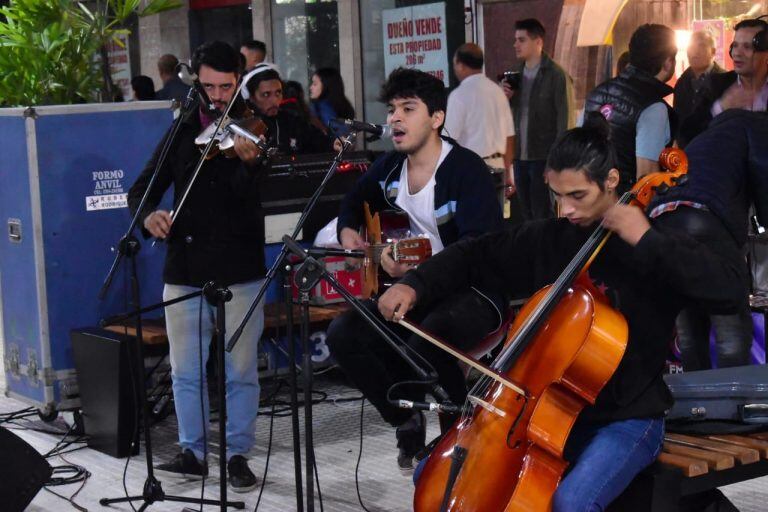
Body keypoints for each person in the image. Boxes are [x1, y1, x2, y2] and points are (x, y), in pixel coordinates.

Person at [378, 114, 744, 510]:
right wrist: (415, 283)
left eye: (578, 196)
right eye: (558, 195)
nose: (566, 209)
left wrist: (646, 238)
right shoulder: (550, 239)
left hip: (627, 419)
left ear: (611, 180)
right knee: (433, 475)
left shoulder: (653, 247)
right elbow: (474, 254)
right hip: (544, 418)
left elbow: (728, 293)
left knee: (571, 504)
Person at [326, 67, 505, 472]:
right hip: (414, 291)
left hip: (473, 293)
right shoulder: (391, 167)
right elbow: (352, 201)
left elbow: (479, 248)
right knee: (344, 333)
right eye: (392, 110)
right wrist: (353, 234)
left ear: (436, 118)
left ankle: (459, 441)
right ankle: (406, 417)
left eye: (408, 109)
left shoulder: (466, 170)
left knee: (426, 339)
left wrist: (419, 278)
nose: (395, 119)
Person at [127, 41, 265, 493]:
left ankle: (238, 455)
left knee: (240, 369)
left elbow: (256, 197)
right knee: (185, 369)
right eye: (209, 87)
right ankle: (193, 452)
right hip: (185, 265)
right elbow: (142, 188)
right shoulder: (184, 127)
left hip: (240, 265)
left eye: (226, 87)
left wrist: (250, 166)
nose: (218, 96)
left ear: (238, 82)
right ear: (196, 82)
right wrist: (149, 216)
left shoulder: (254, 129)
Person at [650, 110, 768, 371]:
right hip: (704, 219)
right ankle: (731, 395)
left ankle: (696, 396)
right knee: (732, 330)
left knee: (690, 329)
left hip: (662, 219)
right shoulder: (757, 127)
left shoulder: (709, 139)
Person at [585, 23, 678, 193]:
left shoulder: (596, 94)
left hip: (592, 196)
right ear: (668, 63)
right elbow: (646, 177)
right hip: (623, 201)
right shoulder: (652, 107)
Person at [503, 18, 574, 220]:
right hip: (520, 156)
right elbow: (511, 118)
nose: (516, 45)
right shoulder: (516, 74)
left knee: (543, 214)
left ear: (538, 42)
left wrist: (556, 161)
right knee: (525, 213)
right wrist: (506, 98)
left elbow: (565, 121)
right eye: (515, 40)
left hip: (543, 157)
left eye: (521, 40)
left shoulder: (556, 75)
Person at [444, 43, 516, 201]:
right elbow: (509, 136)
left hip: (471, 170)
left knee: (473, 214)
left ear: (461, 65)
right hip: (498, 167)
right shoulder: (498, 93)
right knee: (496, 214)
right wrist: (508, 172)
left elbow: (449, 139)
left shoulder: (459, 95)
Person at [679, 18, 768, 144]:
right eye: (735, 45)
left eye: (747, 46)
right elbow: (686, 135)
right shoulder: (716, 85)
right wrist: (720, 108)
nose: (737, 53)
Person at [243, 63, 333, 154]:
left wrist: (334, 144)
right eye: (266, 94)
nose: (274, 100)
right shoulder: (245, 125)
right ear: (251, 97)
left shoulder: (292, 120)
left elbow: (320, 141)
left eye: (278, 93)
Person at [673, 30, 725, 147]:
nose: (695, 51)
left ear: (713, 52)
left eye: (701, 46)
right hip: (686, 150)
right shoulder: (681, 83)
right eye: (691, 46)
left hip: (715, 148)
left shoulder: (724, 82)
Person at [308, 67, 355, 134]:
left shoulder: (320, 107)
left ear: (326, 85)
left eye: (315, 84)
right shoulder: (345, 106)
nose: (311, 87)